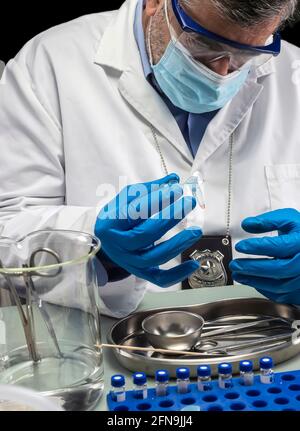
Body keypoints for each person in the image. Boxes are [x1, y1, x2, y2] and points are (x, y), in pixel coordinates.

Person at [0, 0, 300, 318]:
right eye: (203, 43)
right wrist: (93, 250)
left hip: (271, 341)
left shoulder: (295, 77)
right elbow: (7, 232)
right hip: (108, 347)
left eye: (248, 54)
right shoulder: (49, 65)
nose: (222, 74)